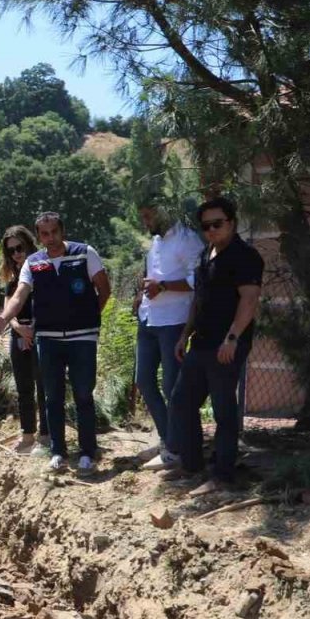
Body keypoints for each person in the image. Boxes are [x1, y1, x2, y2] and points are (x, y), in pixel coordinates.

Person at [0, 212, 111, 475]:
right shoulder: (33, 262)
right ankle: (57, 452)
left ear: (62, 231)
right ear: (39, 236)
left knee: (82, 394)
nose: (50, 238)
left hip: (83, 338)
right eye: (45, 234)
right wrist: (4, 318)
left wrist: (89, 318)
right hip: (49, 340)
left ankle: (88, 452)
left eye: (54, 231)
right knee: (52, 397)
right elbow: (19, 296)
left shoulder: (85, 253)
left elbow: (104, 288)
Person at [165, 197, 263, 493]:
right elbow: (199, 300)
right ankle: (192, 465)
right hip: (201, 342)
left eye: (217, 224)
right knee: (182, 401)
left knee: (223, 411)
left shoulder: (244, 256)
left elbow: (249, 299)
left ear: (231, 222)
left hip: (227, 343)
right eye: (206, 226)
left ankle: (223, 476)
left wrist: (232, 338)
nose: (211, 230)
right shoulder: (207, 254)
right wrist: (184, 335)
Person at [132, 201, 202, 470]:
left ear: (164, 211)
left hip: (174, 321)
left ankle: (175, 450)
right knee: (144, 381)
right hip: (149, 319)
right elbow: (153, 276)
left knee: (172, 387)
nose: (146, 222)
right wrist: (142, 295)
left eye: (149, 216)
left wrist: (162, 286)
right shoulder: (157, 242)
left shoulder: (188, 239)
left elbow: (198, 281)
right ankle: (169, 440)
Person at [0, 225, 47, 452]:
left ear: (29, 245)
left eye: (20, 247)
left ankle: (46, 436)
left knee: (44, 387)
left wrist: (33, 331)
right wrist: (20, 329)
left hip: (41, 335)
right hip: (18, 337)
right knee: (24, 388)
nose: (16, 253)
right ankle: (28, 436)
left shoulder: (42, 272)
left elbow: (47, 306)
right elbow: (7, 309)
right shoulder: (12, 279)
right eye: (11, 251)